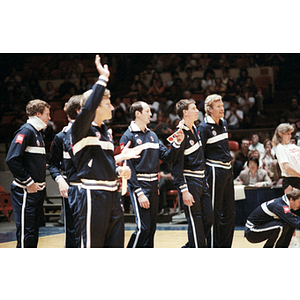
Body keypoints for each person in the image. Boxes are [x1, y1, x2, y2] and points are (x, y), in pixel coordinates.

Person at [71, 55, 142, 248]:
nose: (112, 107)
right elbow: (87, 108)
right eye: (107, 103)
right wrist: (102, 79)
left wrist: (118, 170)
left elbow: (104, 163)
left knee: (115, 246)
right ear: (94, 107)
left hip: (112, 194)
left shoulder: (105, 132)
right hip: (93, 194)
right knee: (94, 247)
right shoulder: (80, 129)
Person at [119, 101, 184, 248]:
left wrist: (176, 144)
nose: (151, 114)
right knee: (143, 228)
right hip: (140, 186)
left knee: (151, 229)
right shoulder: (127, 137)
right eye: (147, 111)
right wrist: (139, 192)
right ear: (137, 114)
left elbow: (168, 157)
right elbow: (128, 169)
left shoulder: (153, 135)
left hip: (154, 185)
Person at [6, 99, 51, 247]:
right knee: (26, 231)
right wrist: (29, 182)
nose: (49, 118)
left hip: (36, 191)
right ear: (38, 114)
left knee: (32, 232)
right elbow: (12, 159)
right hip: (26, 191)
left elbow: (27, 159)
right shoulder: (26, 131)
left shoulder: (37, 133)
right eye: (47, 114)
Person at [172, 99, 213, 247]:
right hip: (190, 181)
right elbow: (176, 165)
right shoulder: (179, 133)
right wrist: (184, 190)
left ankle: (189, 248)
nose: (197, 111)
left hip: (202, 180)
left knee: (208, 218)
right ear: (185, 112)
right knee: (195, 220)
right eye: (194, 108)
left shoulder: (195, 128)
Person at [198, 94, 235, 248]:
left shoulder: (224, 123)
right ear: (209, 109)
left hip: (227, 170)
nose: (222, 109)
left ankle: (225, 247)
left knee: (230, 213)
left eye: (222, 105)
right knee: (214, 212)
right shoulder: (203, 127)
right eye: (218, 106)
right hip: (214, 170)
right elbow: (200, 154)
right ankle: (213, 248)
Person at [272, 123, 300, 247]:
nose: (290, 136)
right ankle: (292, 241)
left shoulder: (294, 146)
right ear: (280, 134)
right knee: (291, 212)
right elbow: (287, 166)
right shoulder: (280, 148)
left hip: (298, 177)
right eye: (287, 134)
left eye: (290, 133)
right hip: (290, 180)